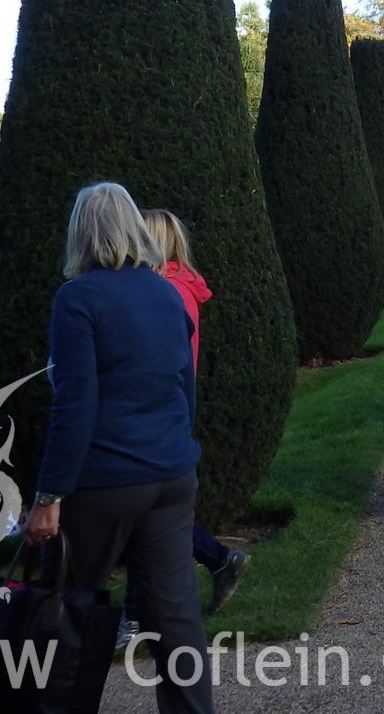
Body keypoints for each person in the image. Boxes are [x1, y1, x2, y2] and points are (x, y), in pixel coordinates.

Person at [24, 182, 213, 713]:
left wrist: (49, 494)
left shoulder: (78, 298)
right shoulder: (163, 292)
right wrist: (178, 444)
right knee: (177, 617)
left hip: (105, 478)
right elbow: (184, 382)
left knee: (64, 606)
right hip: (170, 474)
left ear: (80, 233)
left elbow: (74, 404)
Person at [141, 211, 250, 613]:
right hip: (167, 405)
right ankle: (216, 560)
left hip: (162, 408)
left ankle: (142, 610)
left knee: (147, 512)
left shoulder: (167, 291)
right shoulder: (174, 286)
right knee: (149, 514)